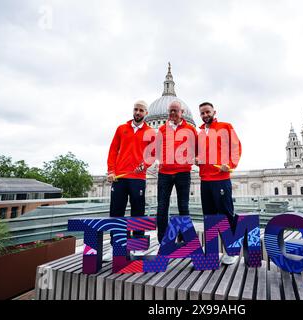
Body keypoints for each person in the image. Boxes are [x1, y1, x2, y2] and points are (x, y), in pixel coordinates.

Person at [103, 100, 154, 261]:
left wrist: (144, 165)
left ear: (146, 113)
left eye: (141, 110)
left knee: (137, 212)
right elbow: (113, 150)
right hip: (119, 177)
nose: (138, 112)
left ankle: (137, 246)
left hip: (138, 178)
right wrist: (111, 170)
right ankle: (116, 246)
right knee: (116, 213)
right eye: (136, 109)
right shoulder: (121, 129)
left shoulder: (151, 132)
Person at [196, 101, 242, 265]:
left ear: (214, 111)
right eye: (202, 113)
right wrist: (196, 159)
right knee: (209, 217)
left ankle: (232, 250)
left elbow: (236, 147)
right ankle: (212, 252)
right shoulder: (199, 133)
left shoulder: (225, 126)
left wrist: (230, 165)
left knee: (226, 215)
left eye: (207, 112)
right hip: (205, 180)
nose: (205, 115)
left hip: (221, 179)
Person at [156, 101, 197, 244]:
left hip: (183, 172)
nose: (172, 114)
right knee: (162, 207)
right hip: (164, 173)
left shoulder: (190, 130)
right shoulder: (161, 129)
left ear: (182, 112)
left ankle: (185, 238)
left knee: (183, 206)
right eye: (171, 111)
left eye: (175, 111)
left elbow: (197, 148)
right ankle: (163, 240)